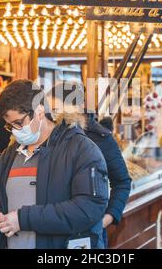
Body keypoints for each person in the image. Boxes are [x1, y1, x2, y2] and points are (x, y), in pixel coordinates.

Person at [0, 80, 109, 249]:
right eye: (10, 125)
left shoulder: (82, 149)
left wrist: (23, 219)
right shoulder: (9, 154)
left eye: (19, 123)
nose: (15, 131)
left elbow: (89, 208)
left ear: (40, 112)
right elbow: (0, 197)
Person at [48, 82, 132, 246]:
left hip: (86, 234)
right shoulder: (49, 136)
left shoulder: (100, 137)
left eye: (56, 110)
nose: (51, 115)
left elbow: (122, 182)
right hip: (52, 229)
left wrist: (105, 220)